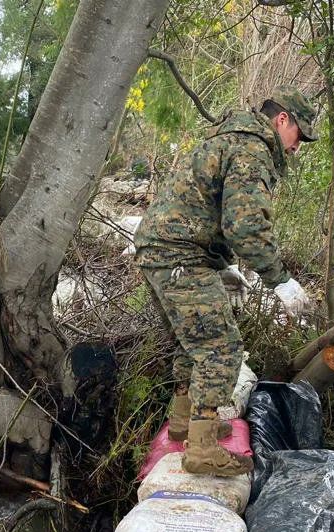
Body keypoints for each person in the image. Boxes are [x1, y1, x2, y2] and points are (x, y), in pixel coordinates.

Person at [135, 86, 318, 477]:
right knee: (221, 347)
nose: (297, 147)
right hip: (179, 255)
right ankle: (201, 450)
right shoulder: (252, 150)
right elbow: (245, 226)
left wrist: (220, 263)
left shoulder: (231, 140)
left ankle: (185, 425)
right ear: (282, 119)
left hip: (165, 250)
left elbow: (208, 210)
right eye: (299, 136)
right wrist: (280, 281)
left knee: (195, 344)